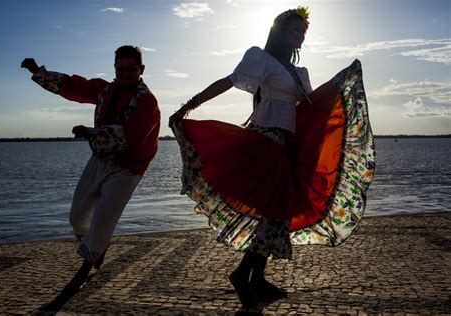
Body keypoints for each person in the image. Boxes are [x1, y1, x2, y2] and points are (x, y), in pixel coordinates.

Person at [169, 7, 375, 308]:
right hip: (264, 141)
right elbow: (228, 81)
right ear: (279, 31)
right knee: (275, 212)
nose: (299, 37)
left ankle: (254, 278)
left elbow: (310, 107)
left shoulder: (299, 72)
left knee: (276, 215)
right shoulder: (261, 58)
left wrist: (342, 87)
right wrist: (188, 106)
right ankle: (245, 276)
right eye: (294, 30)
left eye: (302, 32)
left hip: (286, 148)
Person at [21, 45, 160, 302]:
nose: (126, 73)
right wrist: (37, 71)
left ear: (141, 70)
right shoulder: (105, 90)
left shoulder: (148, 102)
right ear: (115, 69)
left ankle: (85, 268)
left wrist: (91, 133)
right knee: (77, 217)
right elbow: (76, 86)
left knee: (104, 218)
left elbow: (132, 135)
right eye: (121, 69)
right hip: (99, 161)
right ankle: (97, 247)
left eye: (131, 69)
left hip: (129, 167)